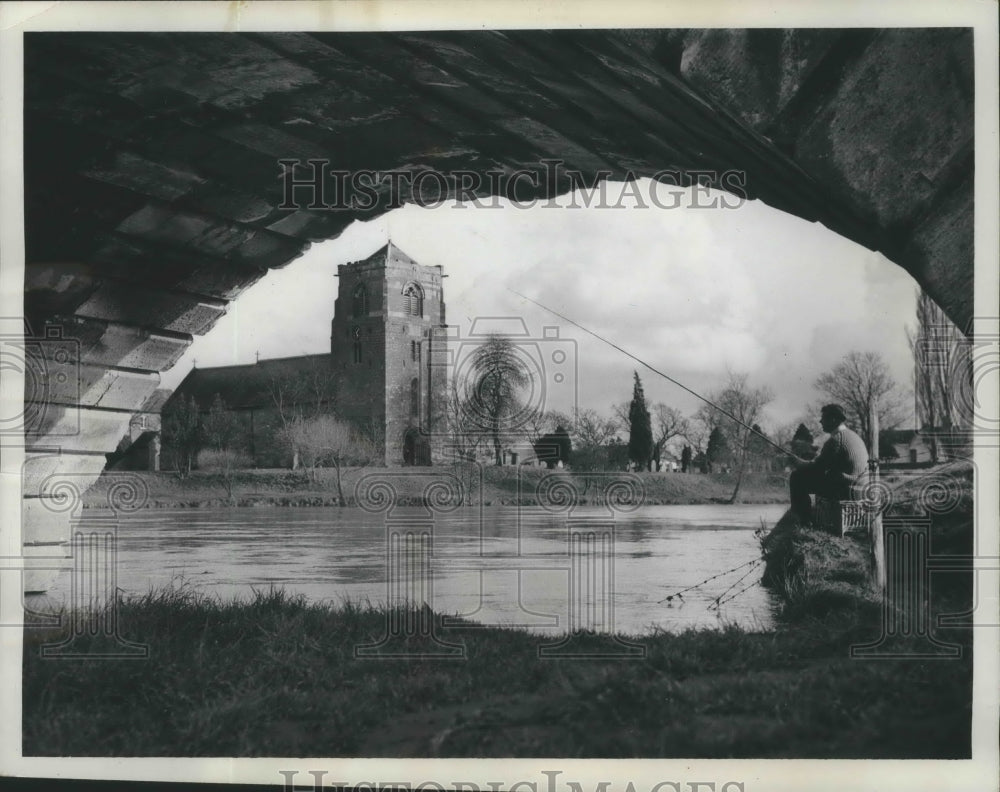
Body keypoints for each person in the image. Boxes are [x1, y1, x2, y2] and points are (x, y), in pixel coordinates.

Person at [789, 403, 869, 525]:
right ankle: (807, 517)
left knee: (796, 477)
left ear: (833, 419)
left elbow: (817, 469)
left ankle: (803, 521)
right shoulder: (853, 436)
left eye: (824, 418)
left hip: (847, 489)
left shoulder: (836, 440)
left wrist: (798, 463)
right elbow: (823, 464)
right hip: (860, 487)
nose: (821, 421)